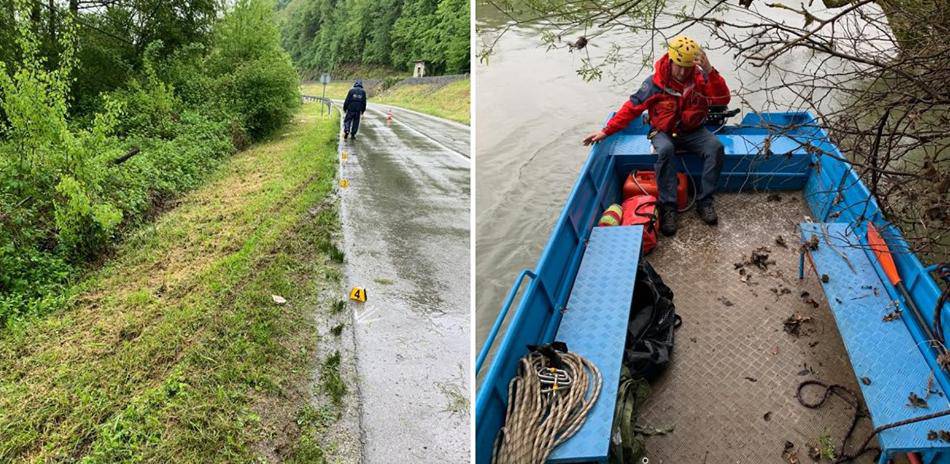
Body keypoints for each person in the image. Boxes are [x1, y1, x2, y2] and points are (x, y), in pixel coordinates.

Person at [583, 36, 730, 236]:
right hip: (663, 131)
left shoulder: (701, 78)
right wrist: (606, 131)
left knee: (716, 148)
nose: (682, 71)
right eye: (679, 66)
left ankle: (705, 202)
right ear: (670, 59)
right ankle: (668, 207)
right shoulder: (654, 83)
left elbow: (722, 98)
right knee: (666, 150)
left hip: (693, 130)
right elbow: (632, 108)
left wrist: (710, 71)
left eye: (687, 67)